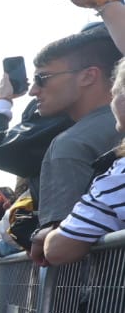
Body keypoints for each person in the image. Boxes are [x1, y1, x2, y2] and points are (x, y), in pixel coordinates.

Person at [28, 28, 124, 227]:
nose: (33, 90)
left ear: (88, 76)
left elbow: (64, 246)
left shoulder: (70, 144)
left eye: (42, 78)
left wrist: (42, 238)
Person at [33, 59, 125, 265]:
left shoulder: (117, 177)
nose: (33, 90)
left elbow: (58, 250)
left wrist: (50, 234)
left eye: (116, 90)